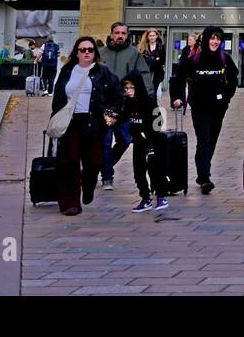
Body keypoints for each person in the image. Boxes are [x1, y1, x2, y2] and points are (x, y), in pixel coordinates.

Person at [51, 37, 121, 216]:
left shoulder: (102, 72)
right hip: (70, 122)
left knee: (93, 161)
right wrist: (55, 118)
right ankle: (71, 202)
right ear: (76, 52)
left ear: (95, 53)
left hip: (94, 122)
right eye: (83, 50)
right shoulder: (67, 70)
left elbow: (118, 94)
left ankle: (88, 186)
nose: (87, 52)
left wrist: (111, 115)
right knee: (69, 161)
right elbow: (58, 96)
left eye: (90, 49)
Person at [170, 26, 238, 194]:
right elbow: (177, 79)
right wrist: (177, 98)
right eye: (212, 38)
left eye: (218, 39)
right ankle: (204, 177)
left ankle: (203, 172)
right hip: (199, 106)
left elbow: (233, 78)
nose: (215, 41)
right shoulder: (193, 59)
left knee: (212, 141)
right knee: (204, 140)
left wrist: (226, 98)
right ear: (206, 39)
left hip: (218, 107)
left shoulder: (224, 59)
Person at [98, 21, 143, 190]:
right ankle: (107, 177)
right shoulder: (101, 54)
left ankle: (103, 166)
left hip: (126, 107)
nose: (120, 36)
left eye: (123, 33)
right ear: (111, 34)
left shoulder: (134, 54)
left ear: (127, 35)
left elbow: (142, 77)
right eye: (117, 32)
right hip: (106, 107)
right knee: (106, 142)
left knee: (125, 140)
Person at [116, 75, 168, 213]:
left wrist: (148, 132)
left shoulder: (149, 102)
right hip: (138, 141)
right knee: (138, 170)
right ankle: (145, 198)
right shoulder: (128, 103)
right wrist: (109, 114)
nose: (128, 91)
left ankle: (161, 196)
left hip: (152, 141)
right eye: (126, 88)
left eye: (131, 87)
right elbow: (123, 117)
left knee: (154, 168)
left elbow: (159, 122)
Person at [137, 29, 166, 100]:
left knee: (154, 91)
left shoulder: (161, 46)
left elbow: (162, 60)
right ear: (147, 37)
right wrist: (154, 59)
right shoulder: (143, 47)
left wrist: (152, 60)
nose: (152, 37)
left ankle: (153, 108)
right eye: (150, 36)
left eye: (153, 35)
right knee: (146, 91)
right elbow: (142, 60)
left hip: (157, 73)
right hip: (146, 72)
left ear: (156, 36)